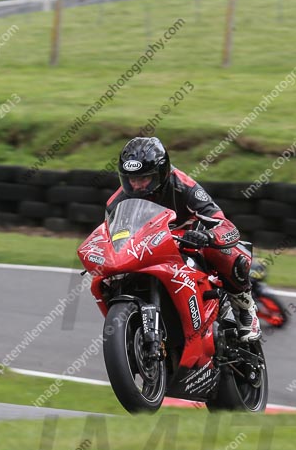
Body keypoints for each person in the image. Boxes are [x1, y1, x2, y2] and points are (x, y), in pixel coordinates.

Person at [106, 136, 261, 342]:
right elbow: (111, 238)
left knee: (227, 252)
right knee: (108, 277)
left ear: (162, 173)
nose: (137, 186)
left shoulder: (183, 185)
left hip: (188, 244)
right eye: (131, 179)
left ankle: (245, 307)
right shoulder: (116, 202)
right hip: (147, 249)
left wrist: (207, 236)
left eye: (144, 179)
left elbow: (222, 223)